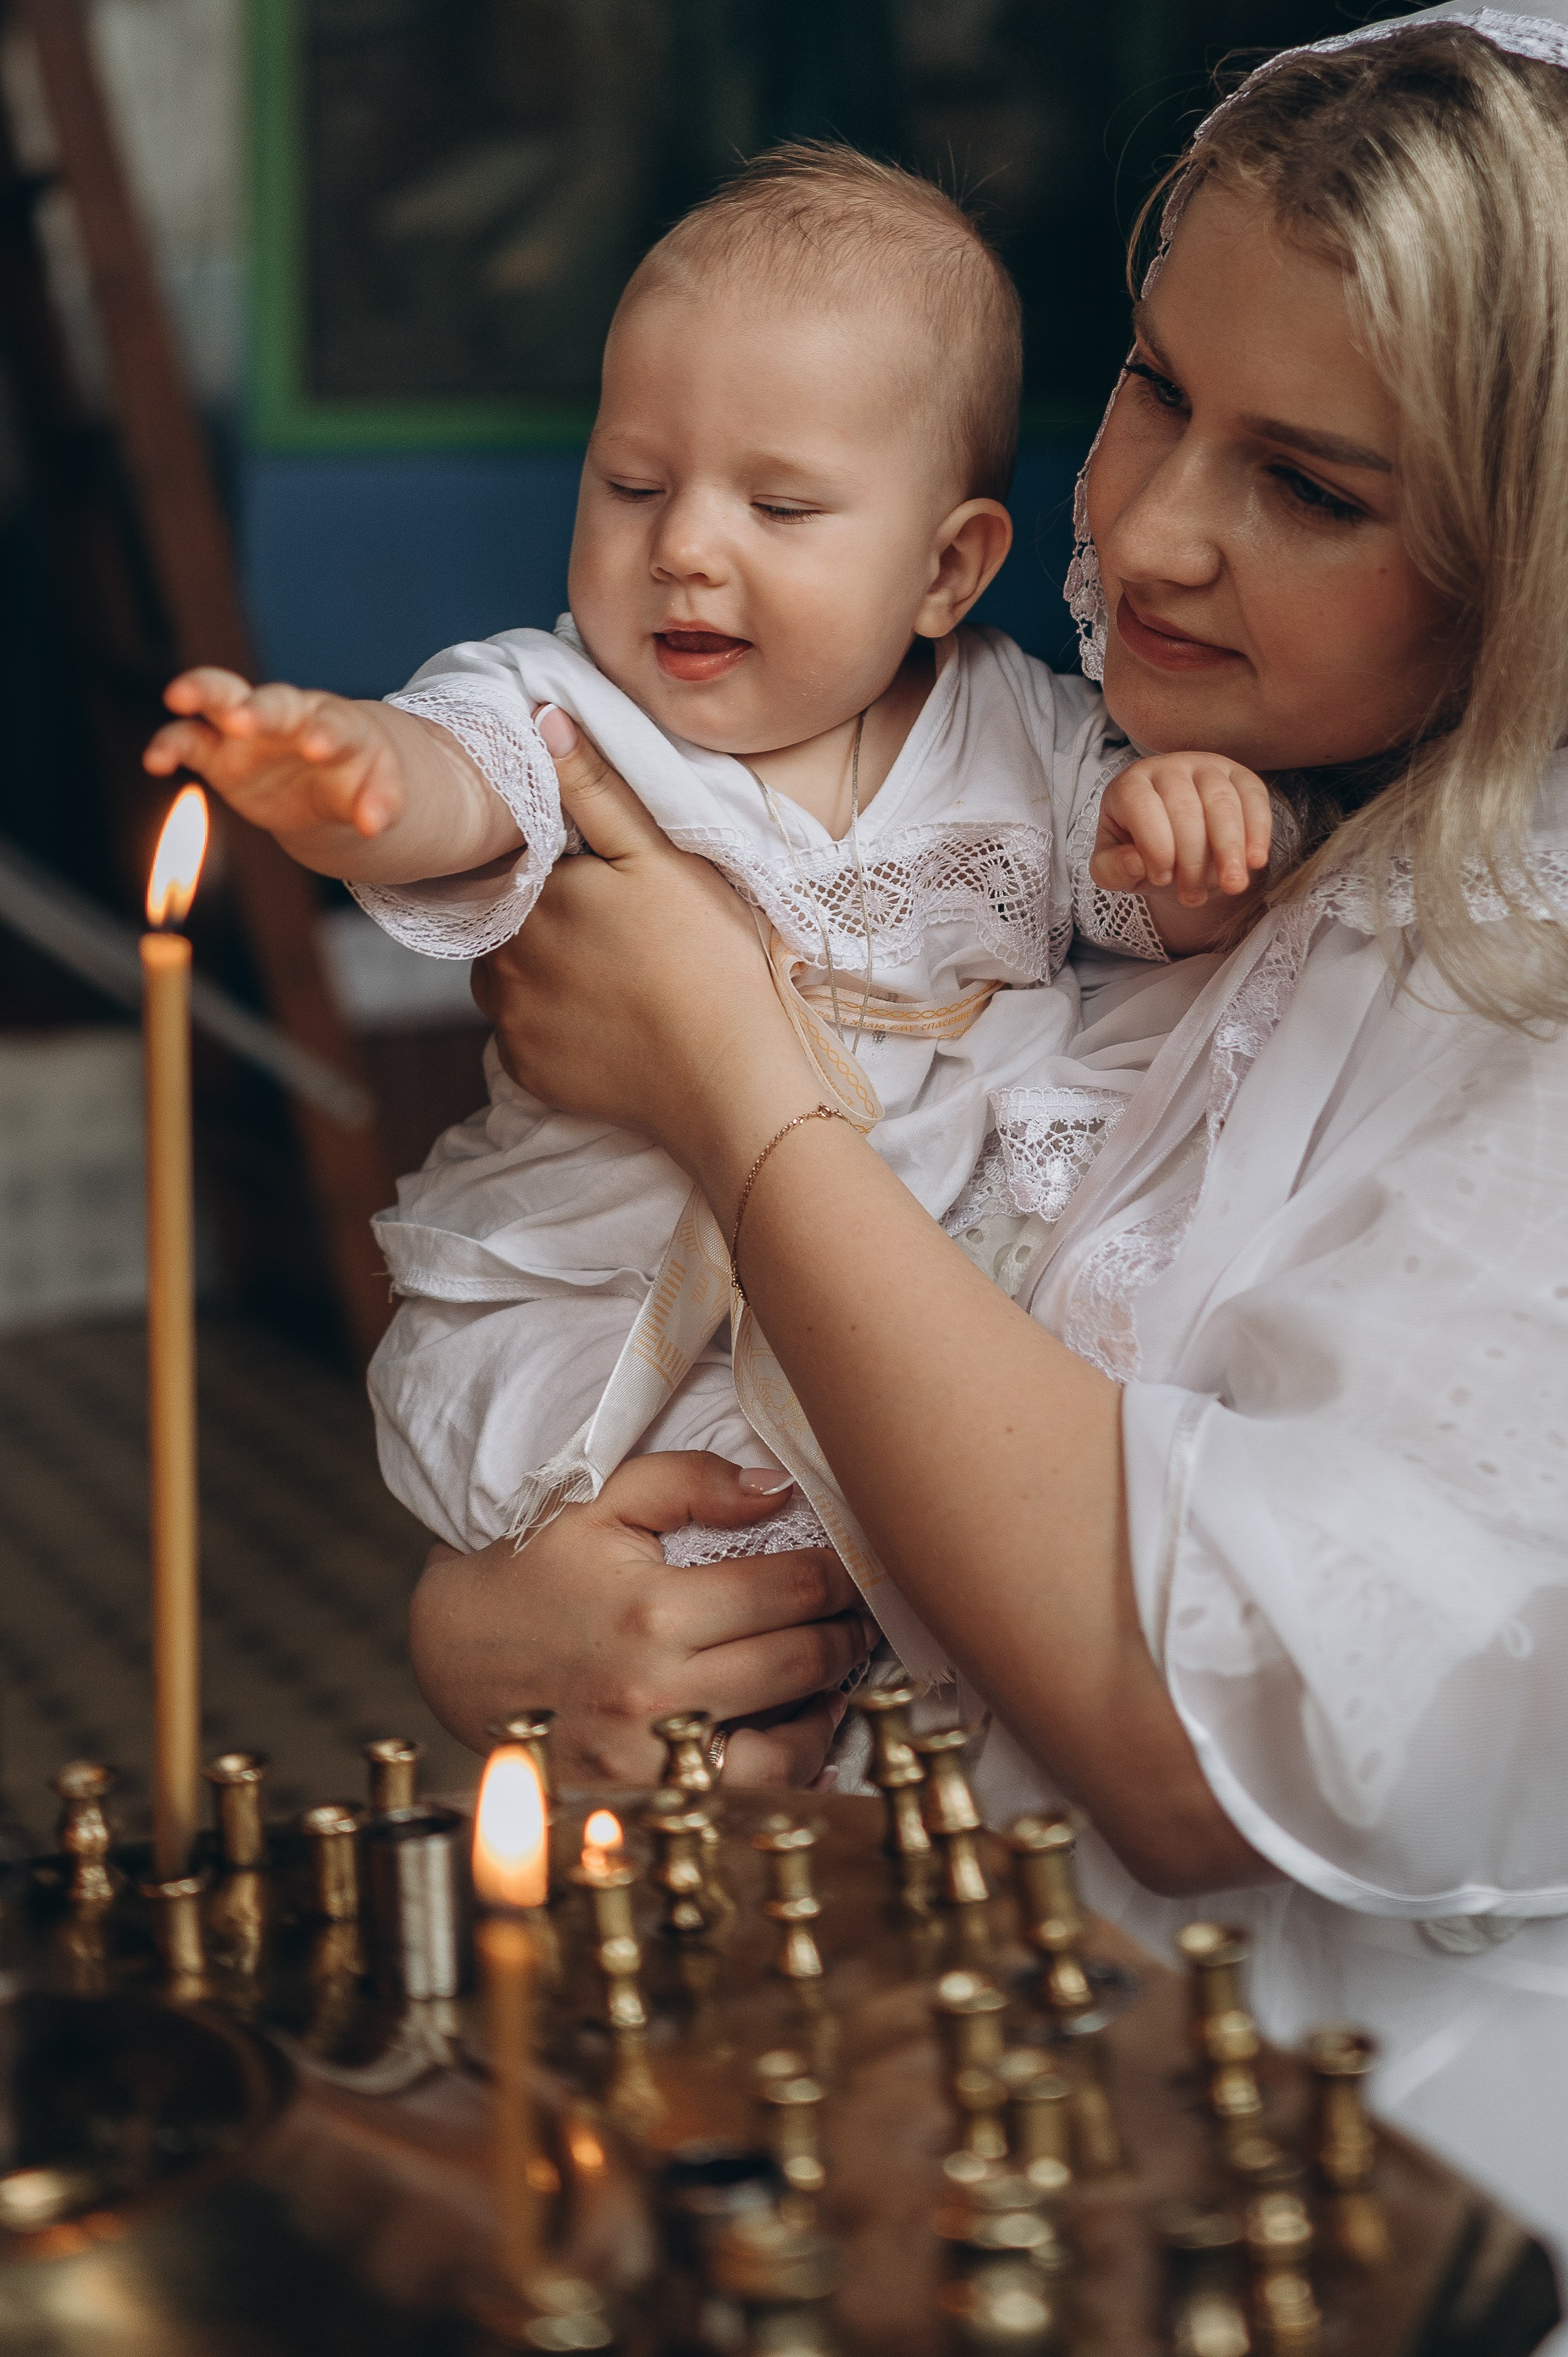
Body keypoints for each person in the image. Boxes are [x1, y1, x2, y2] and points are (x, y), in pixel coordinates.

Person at [404, 3, 1568, 2276]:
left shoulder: (1518, 980)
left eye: (1314, 486)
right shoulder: (1133, 812)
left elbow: (1196, 1721)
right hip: (935, 2097)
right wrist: (534, 1625)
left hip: (1332, 2202)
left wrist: (736, 1079)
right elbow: (920, 1413)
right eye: (1154, 388)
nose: (1142, 528)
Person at [145, 148, 1273, 1675]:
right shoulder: (572, 702)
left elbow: (1153, 916)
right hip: (627, 1286)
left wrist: (1185, 844)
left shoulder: (1033, 737)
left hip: (921, 1294)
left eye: (779, 503)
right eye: (632, 483)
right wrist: (345, 768)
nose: (683, 543)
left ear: (947, 567)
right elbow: (460, 778)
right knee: (671, 1590)